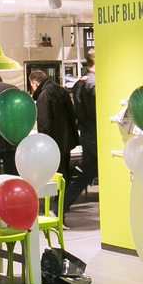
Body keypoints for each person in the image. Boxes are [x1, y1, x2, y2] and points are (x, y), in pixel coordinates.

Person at [32, 68, 79, 203]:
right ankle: (63, 202)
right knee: (64, 174)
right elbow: (72, 114)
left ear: (35, 83)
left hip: (54, 143)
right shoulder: (61, 90)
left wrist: (44, 144)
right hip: (66, 140)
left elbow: (44, 122)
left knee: (56, 175)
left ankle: (57, 206)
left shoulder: (44, 95)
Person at [63, 53, 97, 214]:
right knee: (90, 172)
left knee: (87, 172)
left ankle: (61, 206)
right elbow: (96, 111)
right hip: (95, 133)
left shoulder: (80, 82)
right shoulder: (94, 83)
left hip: (85, 133)